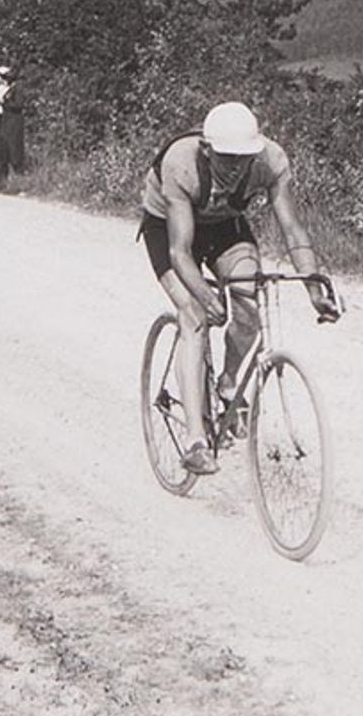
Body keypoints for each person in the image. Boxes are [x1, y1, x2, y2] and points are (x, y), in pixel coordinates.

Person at [138, 101, 338, 475]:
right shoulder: (181, 163)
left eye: (242, 160)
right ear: (207, 149)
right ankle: (196, 441)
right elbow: (180, 252)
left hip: (225, 227)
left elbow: (292, 229)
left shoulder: (271, 161)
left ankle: (229, 386)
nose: (234, 169)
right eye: (226, 159)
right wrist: (203, 294)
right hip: (170, 229)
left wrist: (314, 287)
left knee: (249, 304)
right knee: (194, 317)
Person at [0, 64, 26, 189]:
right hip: (5, 122)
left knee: (13, 150)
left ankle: (14, 178)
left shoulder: (17, 88)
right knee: (3, 149)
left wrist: (3, 102)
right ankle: (1, 179)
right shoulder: (7, 88)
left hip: (12, 123)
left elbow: (18, 105)